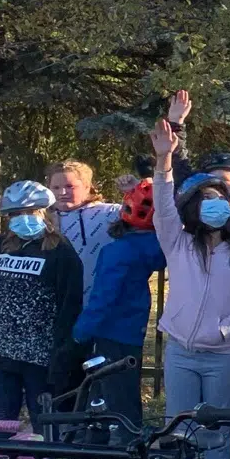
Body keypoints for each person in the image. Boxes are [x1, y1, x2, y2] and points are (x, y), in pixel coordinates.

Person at [150, 121, 230, 459]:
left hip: (223, 356)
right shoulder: (177, 243)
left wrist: (225, 329)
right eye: (205, 201)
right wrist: (164, 159)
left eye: (220, 200)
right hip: (181, 353)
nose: (213, 206)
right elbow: (163, 207)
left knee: (218, 434)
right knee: (179, 429)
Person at [0, 171, 85, 425]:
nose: (23, 219)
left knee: (43, 421)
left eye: (30, 212)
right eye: (16, 214)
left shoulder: (61, 253)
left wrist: (63, 354)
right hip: (1, 354)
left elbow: (70, 306)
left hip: (40, 357)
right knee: (3, 420)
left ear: (44, 213)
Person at [71, 180, 165, 430]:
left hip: (108, 331)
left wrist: (81, 331)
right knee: (123, 393)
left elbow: (103, 296)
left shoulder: (118, 251)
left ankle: (114, 450)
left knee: (106, 395)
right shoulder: (155, 248)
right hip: (132, 328)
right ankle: (120, 446)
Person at [47, 159, 122, 311]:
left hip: (101, 304)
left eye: (70, 187)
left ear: (87, 187)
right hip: (57, 305)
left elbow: (147, 213)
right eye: (56, 187)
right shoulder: (43, 220)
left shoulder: (109, 213)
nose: (62, 193)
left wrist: (133, 190)